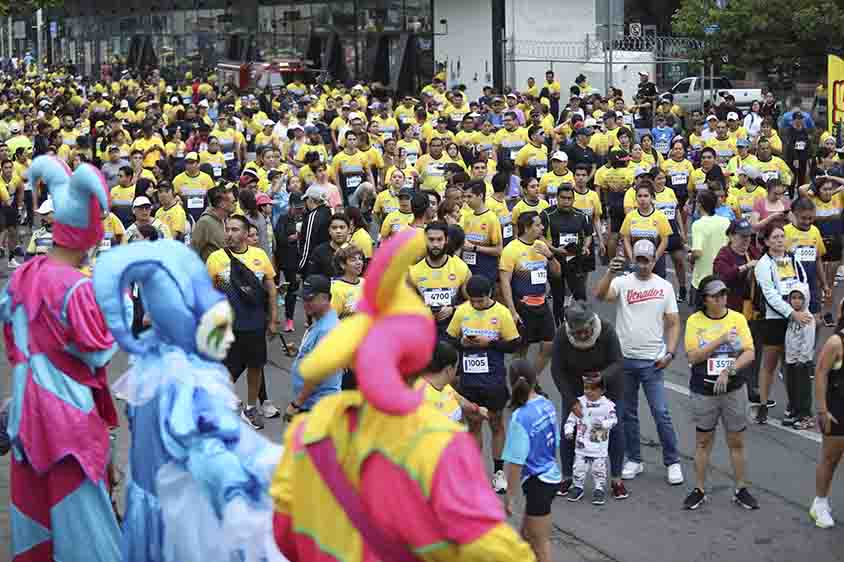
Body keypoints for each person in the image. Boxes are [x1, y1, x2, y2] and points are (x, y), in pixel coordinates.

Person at [270, 229, 535, 562]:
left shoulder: (309, 431)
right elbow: (490, 548)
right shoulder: (440, 442)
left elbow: (284, 531)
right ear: (420, 358)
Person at [92, 241, 285, 562]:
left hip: (149, 506)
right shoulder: (189, 382)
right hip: (183, 520)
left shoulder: (151, 362)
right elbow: (213, 453)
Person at [0, 156, 121, 561]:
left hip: (27, 419)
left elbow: (13, 338)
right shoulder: (77, 288)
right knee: (87, 532)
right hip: (68, 424)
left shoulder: (22, 276)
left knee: (34, 524)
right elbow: (99, 349)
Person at [595, 239, 684, 486]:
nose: (644, 265)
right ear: (635, 259)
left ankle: (673, 461)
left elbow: (674, 322)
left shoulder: (665, 287)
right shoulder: (623, 282)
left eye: (648, 260)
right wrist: (611, 271)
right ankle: (634, 458)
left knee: (661, 413)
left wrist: (670, 353)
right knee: (627, 414)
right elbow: (600, 296)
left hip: (652, 362)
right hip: (624, 361)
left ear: (654, 261)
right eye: (640, 260)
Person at [683, 276, 758, 511]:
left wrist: (729, 370)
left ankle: (741, 488)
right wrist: (722, 339)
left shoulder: (737, 319)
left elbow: (749, 352)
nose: (722, 299)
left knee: (736, 440)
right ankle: (699, 488)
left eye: (723, 294)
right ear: (705, 300)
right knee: (703, 440)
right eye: (716, 295)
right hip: (704, 389)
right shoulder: (695, 321)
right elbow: (693, 356)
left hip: (734, 388)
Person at [447, 274, 521, 494]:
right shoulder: (462, 312)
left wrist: (491, 343)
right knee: (474, 425)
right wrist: (461, 343)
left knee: (496, 424)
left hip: (494, 379)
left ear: (489, 295)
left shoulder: (502, 313)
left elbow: (514, 344)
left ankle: (498, 472)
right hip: (470, 379)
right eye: (472, 301)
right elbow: (449, 338)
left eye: (480, 301)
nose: (476, 304)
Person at [206, 214, 279, 430]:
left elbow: (271, 288)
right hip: (228, 324)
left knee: (255, 366)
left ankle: (250, 408)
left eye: (235, 230)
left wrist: (273, 318)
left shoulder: (259, 256)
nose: (230, 233)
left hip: (255, 323)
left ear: (247, 234)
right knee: (226, 370)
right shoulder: (215, 259)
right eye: (227, 229)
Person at [502, 359, 561, 562]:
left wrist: (509, 498)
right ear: (535, 379)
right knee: (525, 537)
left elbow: (516, 463)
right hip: (551, 475)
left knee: (540, 545)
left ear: (511, 383)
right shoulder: (547, 404)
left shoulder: (520, 417)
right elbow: (556, 441)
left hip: (538, 484)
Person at [753, 221, 812, 424]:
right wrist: (791, 313)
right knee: (769, 364)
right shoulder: (763, 265)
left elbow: (803, 284)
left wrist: (801, 310)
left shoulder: (793, 259)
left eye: (781, 236)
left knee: (791, 365)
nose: (779, 240)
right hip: (774, 321)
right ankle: (762, 404)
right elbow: (770, 295)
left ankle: (793, 406)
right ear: (767, 241)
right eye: (775, 237)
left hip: (795, 318)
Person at [499, 210, 559, 376]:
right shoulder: (511, 249)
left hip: (542, 303)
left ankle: (531, 379)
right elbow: (505, 282)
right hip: (522, 306)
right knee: (521, 350)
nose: (542, 228)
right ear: (526, 228)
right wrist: (512, 311)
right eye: (538, 225)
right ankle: (518, 383)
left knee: (549, 346)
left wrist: (551, 256)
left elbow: (557, 273)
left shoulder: (542, 245)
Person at [713, 219, 764, 403]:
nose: (746, 241)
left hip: (752, 311)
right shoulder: (724, 255)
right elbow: (723, 277)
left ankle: (752, 387)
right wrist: (744, 267)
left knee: (753, 350)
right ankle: (728, 383)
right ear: (731, 236)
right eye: (742, 237)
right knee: (731, 350)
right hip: (732, 311)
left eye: (749, 237)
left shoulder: (752, 251)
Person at [286, 274, 344, 418]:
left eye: (310, 299)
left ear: (326, 298)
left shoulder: (327, 329)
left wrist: (296, 404)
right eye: (303, 298)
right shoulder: (320, 322)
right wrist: (299, 353)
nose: (305, 303)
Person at [810, 298, 844, 528]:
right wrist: (822, 410)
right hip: (836, 409)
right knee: (830, 459)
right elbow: (821, 373)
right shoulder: (835, 342)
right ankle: (819, 503)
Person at [408, 221, 471, 336]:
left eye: (439, 239)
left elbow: (474, 302)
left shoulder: (461, 268)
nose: (435, 244)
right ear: (425, 241)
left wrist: (454, 309)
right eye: (431, 240)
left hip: (451, 327)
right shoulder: (414, 272)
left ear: (446, 240)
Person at [563, 376, 617, 505]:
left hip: (599, 447)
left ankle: (599, 489)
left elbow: (614, 420)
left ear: (602, 390)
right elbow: (571, 419)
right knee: (578, 468)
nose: (588, 392)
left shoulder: (607, 405)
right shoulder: (579, 403)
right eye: (586, 388)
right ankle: (578, 487)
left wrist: (603, 424)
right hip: (581, 446)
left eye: (593, 389)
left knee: (599, 470)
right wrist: (569, 431)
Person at [542, 184, 592, 323]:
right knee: (558, 296)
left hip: (574, 260)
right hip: (555, 260)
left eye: (569, 198)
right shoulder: (547, 214)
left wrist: (585, 247)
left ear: (573, 199)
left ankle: (585, 323)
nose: (566, 201)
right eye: (563, 198)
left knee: (580, 295)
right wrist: (554, 250)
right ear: (557, 198)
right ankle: (559, 326)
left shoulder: (581, 215)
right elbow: (540, 236)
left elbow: (588, 234)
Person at [784, 285, 816, 429]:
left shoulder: (808, 318)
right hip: (790, 359)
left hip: (802, 361)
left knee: (803, 388)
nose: (796, 301)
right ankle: (795, 411)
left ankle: (805, 415)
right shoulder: (792, 317)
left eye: (799, 298)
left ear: (806, 299)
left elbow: (808, 341)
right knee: (792, 387)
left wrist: (803, 358)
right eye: (793, 298)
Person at [691, 190, 731, 303]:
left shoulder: (698, 224)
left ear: (699, 204)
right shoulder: (725, 221)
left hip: (703, 278)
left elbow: (697, 252)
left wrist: (690, 257)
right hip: (723, 275)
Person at [192, 184, 235, 261]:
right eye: (232, 202)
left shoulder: (227, 220)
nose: (235, 204)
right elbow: (193, 251)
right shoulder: (205, 222)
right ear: (222, 204)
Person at [297, 185, 332, 277]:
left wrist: (300, 268)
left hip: (314, 267)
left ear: (311, 200)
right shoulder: (329, 211)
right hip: (329, 263)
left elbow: (307, 246)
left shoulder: (313, 216)